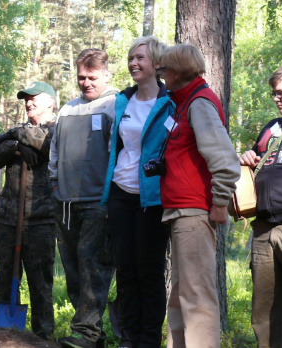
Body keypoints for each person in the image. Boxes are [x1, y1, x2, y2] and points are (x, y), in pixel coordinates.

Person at [158, 44, 239, 348]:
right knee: (181, 295)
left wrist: (219, 203)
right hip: (180, 212)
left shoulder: (199, 103)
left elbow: (226, 161)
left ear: (176, 72)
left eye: (164, 69)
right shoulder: (183, 102)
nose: (162, 75)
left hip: (194, 212)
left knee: (196, 297)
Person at [100, 37, 172, 348]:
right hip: (119, 195)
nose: (133, 63)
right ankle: (128, 337)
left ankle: (149, 339)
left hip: (152, 199)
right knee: (126, 270)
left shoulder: (171, 104)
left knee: (150, 271)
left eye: (140, 58)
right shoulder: (121, 101)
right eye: (131, 58)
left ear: (157, 64)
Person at [48, 49, 118, 348]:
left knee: (93, 267)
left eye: (92, 77)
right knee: (74, 270)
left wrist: (112, 196)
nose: (86, 83)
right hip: (65, 202)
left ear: (105, 75)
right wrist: (54, 182)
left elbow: (120, 152)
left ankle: (86, 333)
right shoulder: (67, 109)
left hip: (98, 202)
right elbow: (55, 149)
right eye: (81, 77)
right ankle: (92, 336)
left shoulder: (115, 105)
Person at [0, 81, 57, 339]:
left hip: (40, 220)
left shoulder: (58, 130)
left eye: (33, 98)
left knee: (40, 284)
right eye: (25, 99)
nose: (28, 102)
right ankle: (5, 335)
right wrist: (17, 147)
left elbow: (49, 144)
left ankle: (43, 337)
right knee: (5, 278)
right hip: (9, 219)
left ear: (50, 101)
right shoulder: (17, 131)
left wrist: (18, 137)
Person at [240, 61, 282, 348]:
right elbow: (257, 164)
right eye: (274, 94)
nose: (276, 99)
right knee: (265, 313)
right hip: (262, 230)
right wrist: (247, 158)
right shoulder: (270, 128)